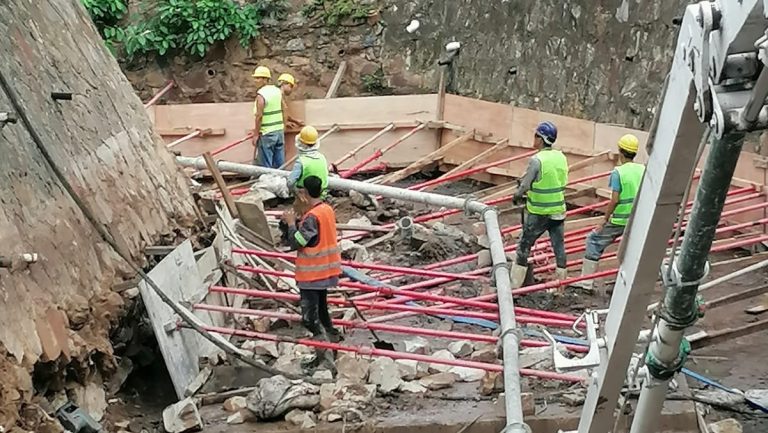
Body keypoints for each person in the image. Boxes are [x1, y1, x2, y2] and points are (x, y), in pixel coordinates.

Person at [576, 134, 645, 292]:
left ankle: (586, 283)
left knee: (594, 240)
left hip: (620, 219)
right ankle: (623, 285)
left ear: (620, 152)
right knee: (630, 250)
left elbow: (614, 200)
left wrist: (605, 220)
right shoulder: (643, 170)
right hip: (636, 219)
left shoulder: (618, 173)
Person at [282, 175, 342, 341]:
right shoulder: (327, 210)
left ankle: (324, 348)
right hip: (327, 270)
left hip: (312, 273)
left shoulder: (311, 217)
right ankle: (333, 338)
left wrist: (291, 224)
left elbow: (296, 243)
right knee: (322, 310)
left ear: (305, 193)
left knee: (309, 319)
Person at [510, 121, 569, 289]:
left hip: (539, 212)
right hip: (558, 209)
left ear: (541, 139)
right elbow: (561, 180)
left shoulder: (537, 160)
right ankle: (561, 286)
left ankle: (514, 285)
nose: (533, 139)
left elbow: (525, 186)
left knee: (524, 245)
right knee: (559, 247)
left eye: (536, 136)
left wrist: (517, 195)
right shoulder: (561, 157)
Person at [287, 126, 329, 212]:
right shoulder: (322, 158)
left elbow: (290, 182)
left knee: (300, 216)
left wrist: (296, 192)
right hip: (322, 195)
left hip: (306, 197)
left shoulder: (301, 162)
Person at [251, 66, 285, 168]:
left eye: (258, 78)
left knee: (266, 165)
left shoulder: (261, 95)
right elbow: (284, 108)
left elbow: (259, 116)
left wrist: (256, 134)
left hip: (267, 133)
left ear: (266, 80)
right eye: (255, 78)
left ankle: (268, 182)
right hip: (279, 132)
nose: (255, 81)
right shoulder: (277, 91)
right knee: (279, 164)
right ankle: (281, 181)